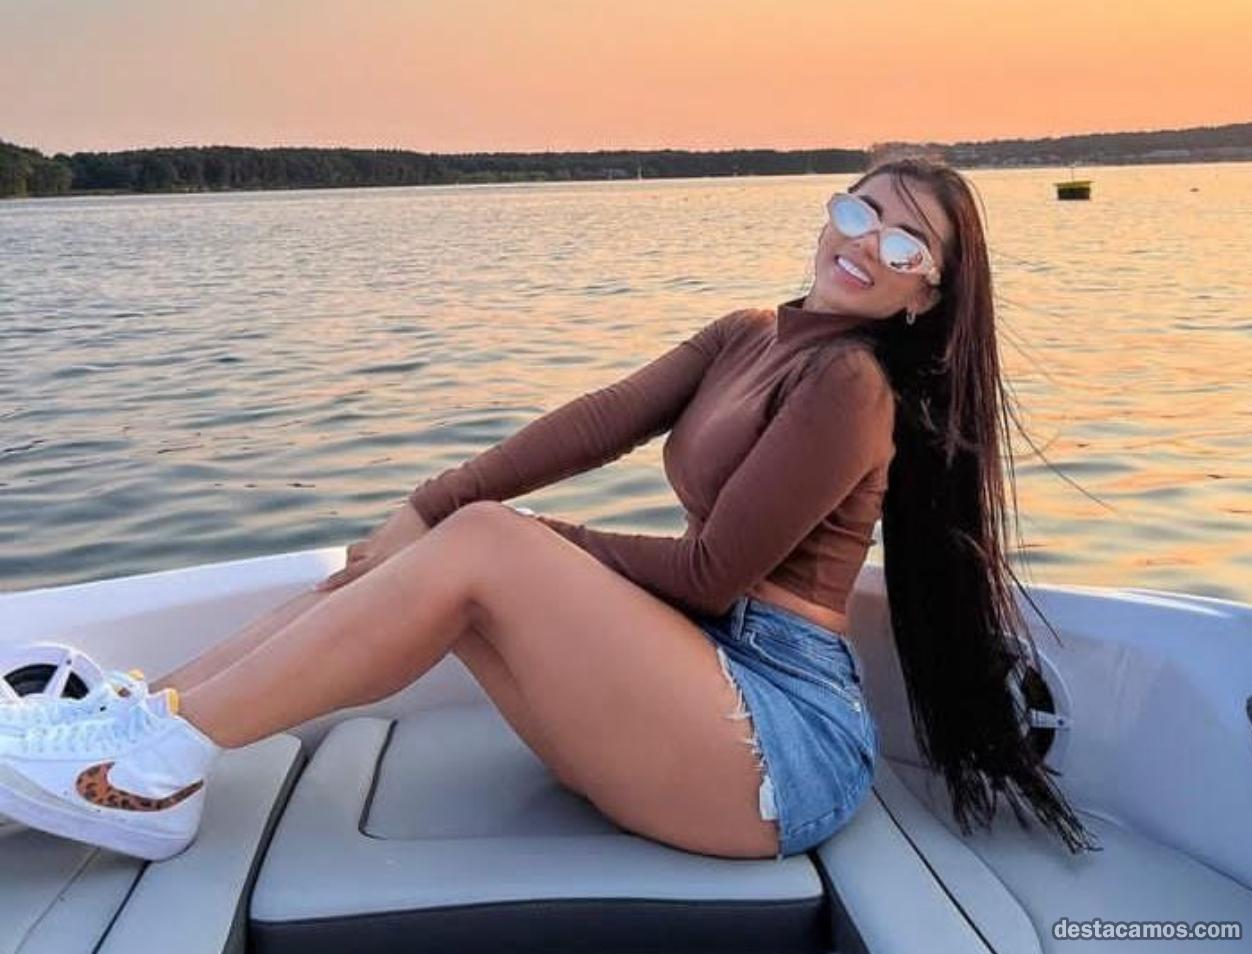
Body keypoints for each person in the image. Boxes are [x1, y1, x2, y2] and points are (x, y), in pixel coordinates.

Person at [0, 154, 1099, 863]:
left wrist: (490, 534)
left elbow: (712, 575)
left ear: (925, 293)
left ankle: (147, 769)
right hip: (694, 697)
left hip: (778, 746)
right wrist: (426, 506)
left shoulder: (851, 385)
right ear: (831, 210)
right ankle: (134, 727)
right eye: (860, 210)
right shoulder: (749, 337)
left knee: (483, 546)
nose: (866, 243)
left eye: (905, 244)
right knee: (434, 557)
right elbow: (593, 424)